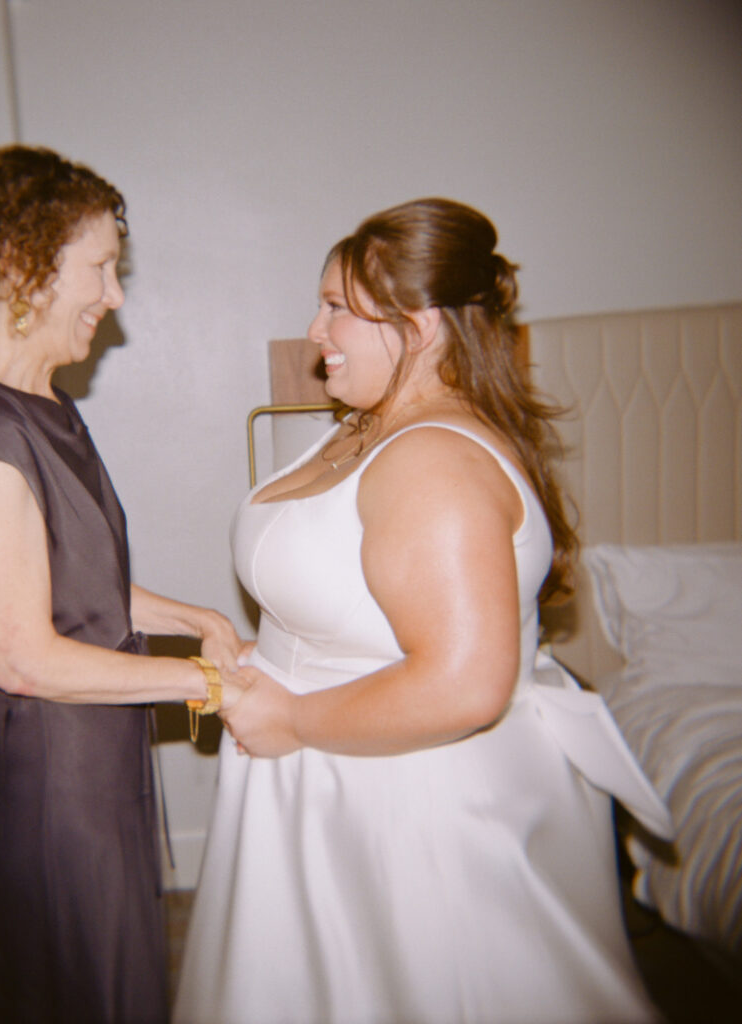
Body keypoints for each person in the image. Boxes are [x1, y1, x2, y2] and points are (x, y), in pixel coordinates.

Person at [173, 198, 672, 1024]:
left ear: (422, 324)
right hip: (339, 778)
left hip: (405, 807)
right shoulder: (373, 424)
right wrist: (277, 655)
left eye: (336, 307)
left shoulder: (432, 457)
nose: (314, 331)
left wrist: (292, 717)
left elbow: (464, 684)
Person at [0, 144, 241, 1024]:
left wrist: (196, 618)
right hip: (51, 792)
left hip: (91, 765)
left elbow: (75, 583)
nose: (114, 295)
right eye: (99, 267)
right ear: (22, 264)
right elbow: (22, 656)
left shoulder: (40, 407)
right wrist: (205, 685)